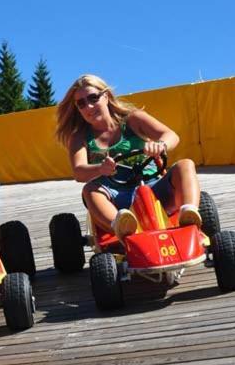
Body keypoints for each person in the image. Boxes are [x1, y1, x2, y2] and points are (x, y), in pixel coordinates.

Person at [55, 74, 201, 240]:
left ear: (106, 97)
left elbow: (171, 135)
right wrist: (100, 168)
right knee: (89, 190)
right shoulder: (79, 137)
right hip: (117, 200)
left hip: (153, 188)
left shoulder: (133, 119)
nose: (88, 106)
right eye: (81, 103)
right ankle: (120, 226)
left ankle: (189, 213)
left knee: (185, 165)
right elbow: (79, 172)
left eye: (93, 98)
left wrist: (160, 145)